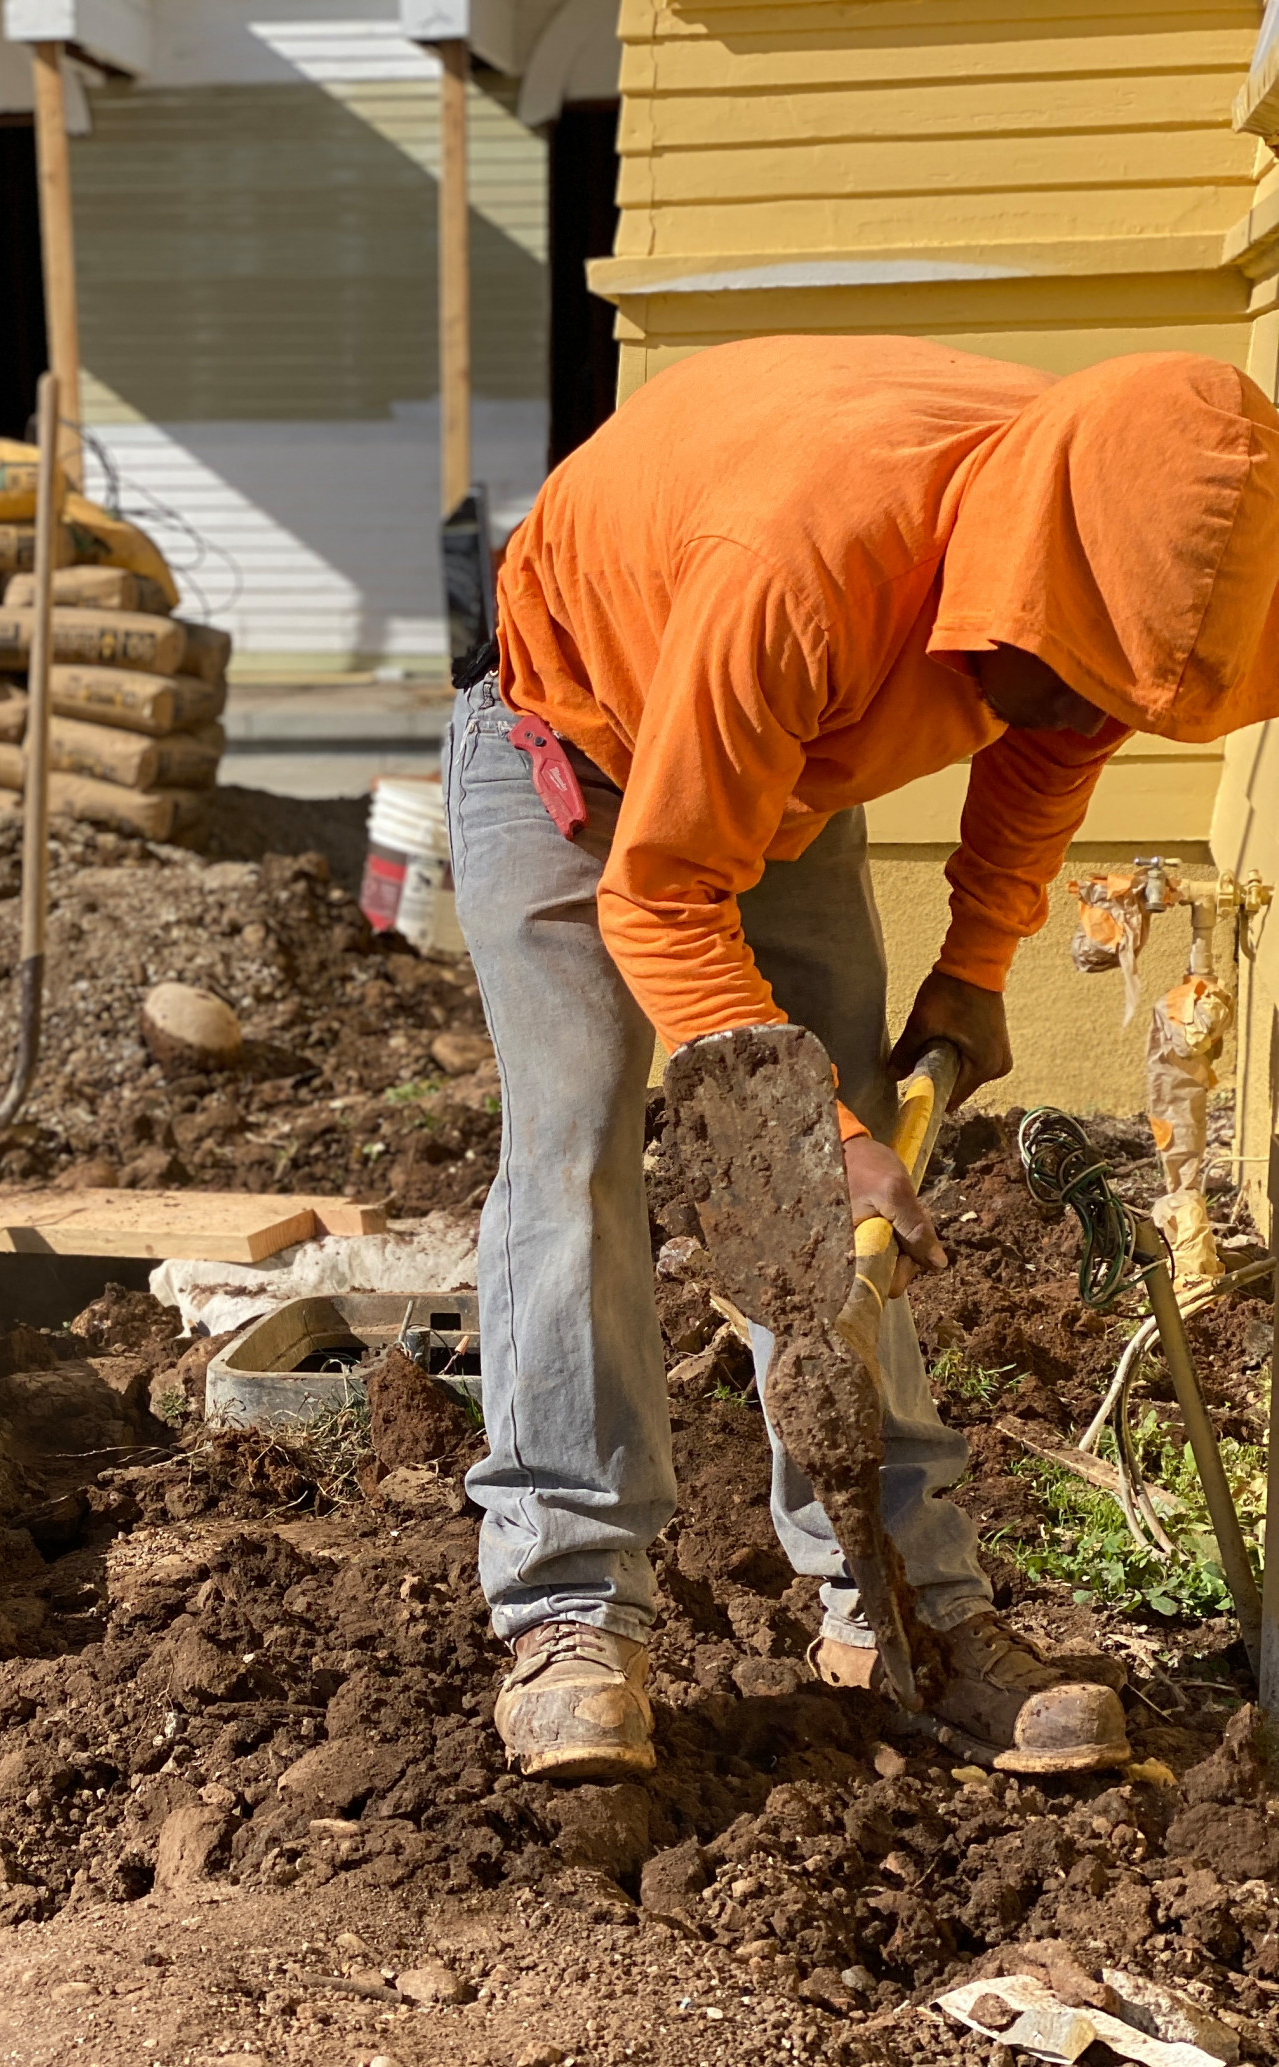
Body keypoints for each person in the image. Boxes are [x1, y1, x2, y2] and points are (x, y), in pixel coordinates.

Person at [448, 335, 1279, 1784]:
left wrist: (973, 973)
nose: (1080, 705)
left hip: (779, 769)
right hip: (575, 751)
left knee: (848, 1222)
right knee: (580, 1154)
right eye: (1065, 668)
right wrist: (823, 1138)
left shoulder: (1108, 535)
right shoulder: (799, 568)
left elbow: (1052, 741)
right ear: (1024, 576)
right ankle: (572, 1609)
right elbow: (661, 895)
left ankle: (901, 1610)